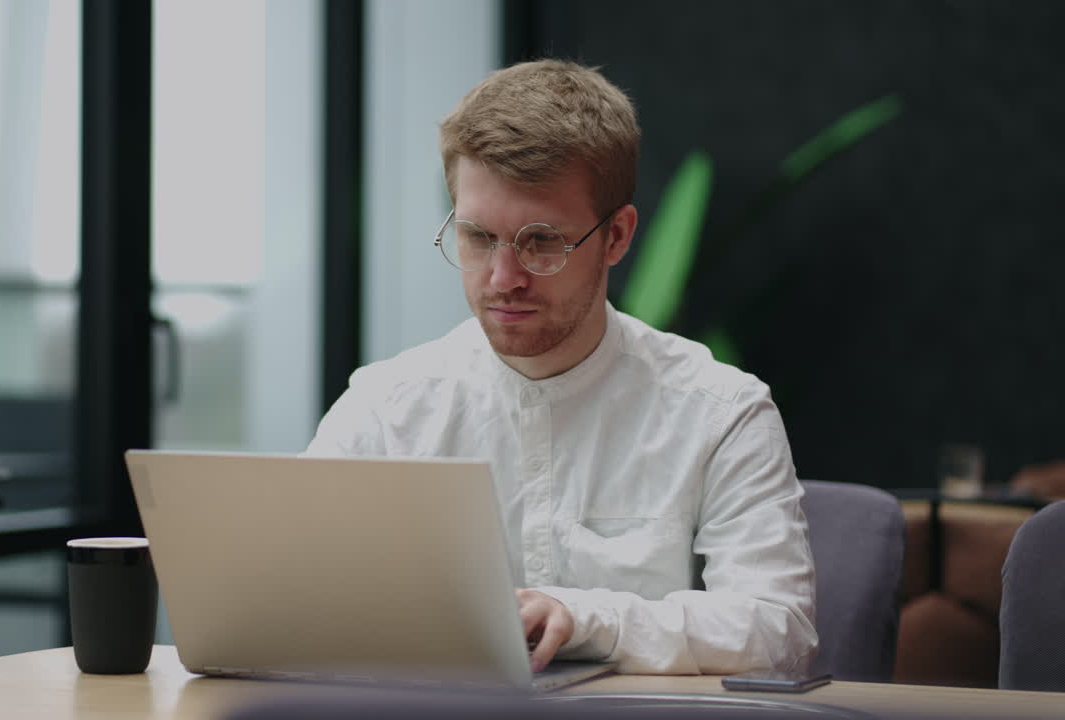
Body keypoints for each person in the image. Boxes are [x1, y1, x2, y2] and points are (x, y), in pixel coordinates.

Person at [306, 59, 817, 675]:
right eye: (476, 237)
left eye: (542, 241)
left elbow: (777, 629)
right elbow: (292, 599)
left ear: (617, 237)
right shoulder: (385, 407)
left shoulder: (721, 411)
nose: (503, 279)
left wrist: (586, 618)